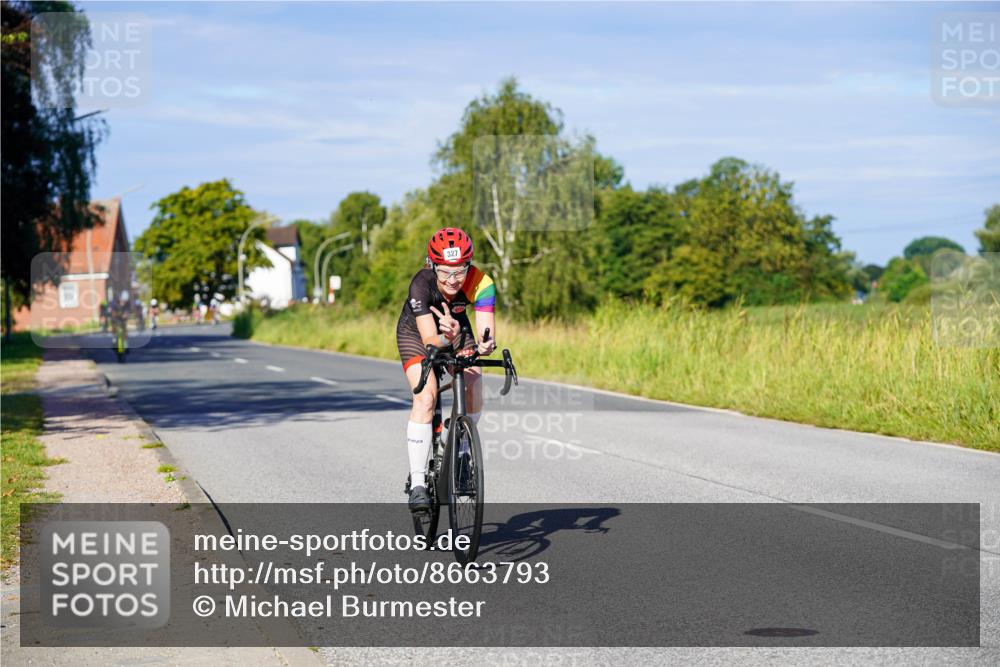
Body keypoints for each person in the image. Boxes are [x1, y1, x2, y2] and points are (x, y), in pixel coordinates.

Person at [397, 227, 496, 512]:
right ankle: (417, 484)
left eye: (460, 271)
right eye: (445, 272)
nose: (453, 280)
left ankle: (460, 448)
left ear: (469, 266)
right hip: (417, 334)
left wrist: (485, 345)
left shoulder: (482, 283)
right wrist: (446, 339)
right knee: (426, 396)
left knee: (474, 387)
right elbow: (431, 340)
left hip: (456, 329)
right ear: (432, 266)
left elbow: (485, 334)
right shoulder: (421, 284)